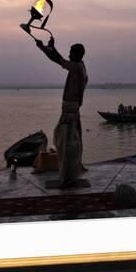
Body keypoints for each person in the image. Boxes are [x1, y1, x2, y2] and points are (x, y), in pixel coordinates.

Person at [36, 36, 88, 188]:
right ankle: (69, 175)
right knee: (68, 144)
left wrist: (48, 47)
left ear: (78, 54)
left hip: (70, 112)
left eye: (72, 53)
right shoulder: (79, 66)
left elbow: (58, 60)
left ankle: (68, 178)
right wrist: (47, 48)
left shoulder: (77, 66)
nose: (70, 55)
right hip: (71, 110)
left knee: (66, 146)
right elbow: (59, 60)